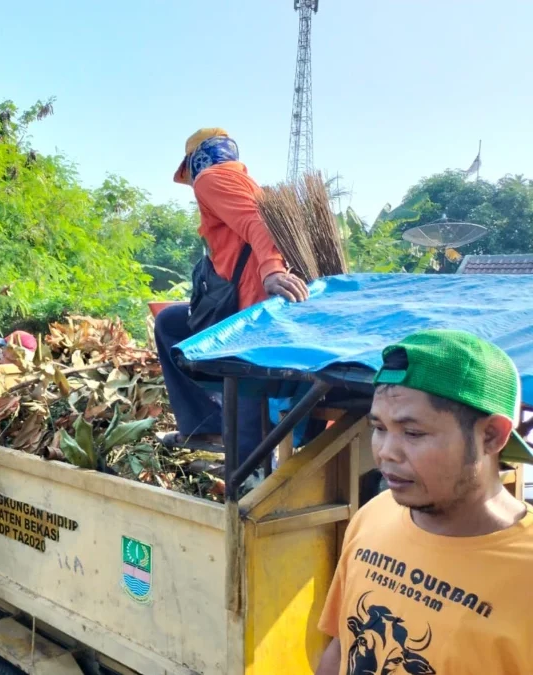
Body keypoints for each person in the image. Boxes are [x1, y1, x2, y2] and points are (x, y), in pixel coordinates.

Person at [315, 330, 533, 675]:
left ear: (490, 436)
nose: (385, 452)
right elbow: (341, 647)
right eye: (379, 428)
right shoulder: (373, 515)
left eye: (413, 433)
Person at [154, 128, 309, 456]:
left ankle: (243, 480)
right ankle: (206, 428)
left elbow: (259, 223)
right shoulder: (244, 182)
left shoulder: (210, 179)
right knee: (171, 323)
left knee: (244, 410)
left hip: (248, 314)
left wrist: (271, 270)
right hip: (244, 308)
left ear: (194, 161)